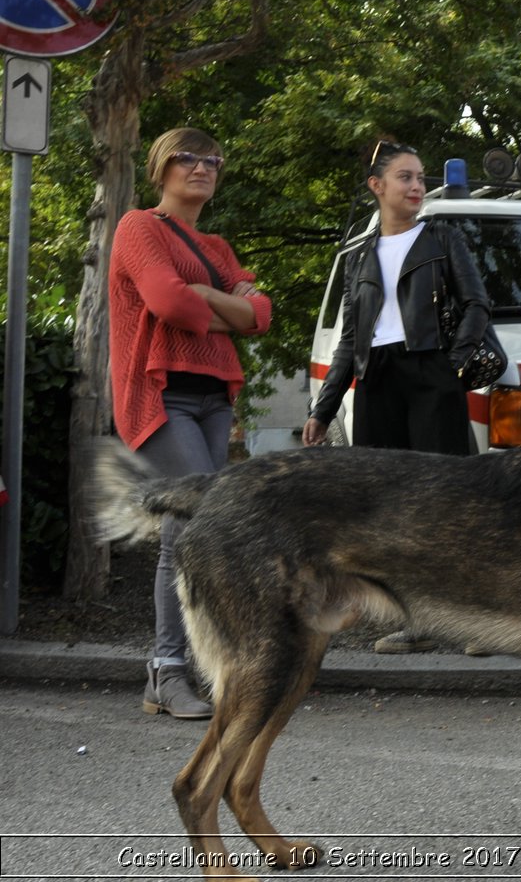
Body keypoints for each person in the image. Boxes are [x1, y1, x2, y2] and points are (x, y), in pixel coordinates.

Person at [109, 127, 273, 718]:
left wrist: (203, 291)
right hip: (158, 395)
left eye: (212, 159)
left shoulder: (219, 248)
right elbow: (168, 303)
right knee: (203, 516)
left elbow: (262, 316)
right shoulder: (138, 228)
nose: (202, 167)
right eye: (187, 158)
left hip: (212, 398)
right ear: (161, 168)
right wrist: (220, 304)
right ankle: (169, 664)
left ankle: (180, 669)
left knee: (187, 530)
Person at [304, 140, 492, 654]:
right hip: (377, 379)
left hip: (432, 369)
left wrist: (451, 366)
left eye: (420, 177)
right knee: (389, 507)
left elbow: (477, 304)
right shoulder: (359, 256)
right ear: (377, 186)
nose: (416, 186)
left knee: (449, 502)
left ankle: (475, 621)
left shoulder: (443, 238)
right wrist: (323, 410)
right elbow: (348, 340)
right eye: (405, 177)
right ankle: (418, 621)